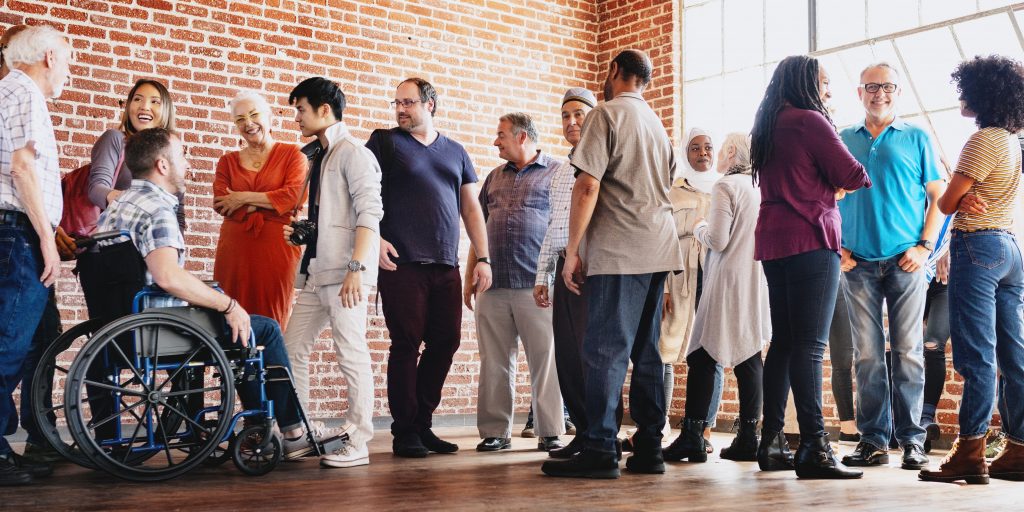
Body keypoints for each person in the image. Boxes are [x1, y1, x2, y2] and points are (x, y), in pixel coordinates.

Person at [95, 127, 339, 462]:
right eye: (181, 156)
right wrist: (228, 304)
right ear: (163, 165)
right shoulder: (156, 209)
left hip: (121, 326)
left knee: (235, 321)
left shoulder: (117, 207)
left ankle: (254, 426)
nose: (187, 163)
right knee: (263, 327)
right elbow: (168, 277)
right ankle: (293, 431)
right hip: (158, 329)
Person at [541, 49, 683, 479]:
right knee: (647, 353)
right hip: (659, 248)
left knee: (603, 351)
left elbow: (587, 187)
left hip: (621, 251)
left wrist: (573, 251)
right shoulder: (658, 125)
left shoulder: (605, 114)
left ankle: (601, 448)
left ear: (614, 72)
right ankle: (649, 449)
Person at [751, 55, 870, 479]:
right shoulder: (809, 121)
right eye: (823, 82)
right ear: (804, 82)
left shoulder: (767, 125)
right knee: (811, 346)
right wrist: (829, 183)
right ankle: (815, 448)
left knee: (784, 342)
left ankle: (771, 443)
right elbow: (854, 174)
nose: (828, 91)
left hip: (774, 240)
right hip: (811, 237)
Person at [367, 78, 491, 458]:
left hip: (445, 265)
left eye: (409, 103)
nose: (401, 110)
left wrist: (483, 258)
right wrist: (374, 238)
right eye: (397, 103)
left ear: (430, 105)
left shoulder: (455, 151)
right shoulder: (384, 143)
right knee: (406, 344)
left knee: (446, 342)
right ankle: (405, 431)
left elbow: (471, 208)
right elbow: (361, 194)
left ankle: (423, 424)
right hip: (401, 263)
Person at [920, 55, 1024, 485]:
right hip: (1009, 249)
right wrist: (963, 195)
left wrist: (956, 196)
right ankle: (1018, 450)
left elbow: (944, 204)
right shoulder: (1013, 141)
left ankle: (969, 453)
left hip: (977, 246)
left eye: (966, 89)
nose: (961, 96)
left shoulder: (983, 140)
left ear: (982, 93)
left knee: (976, 356)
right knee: (1013, 354)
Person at [837, 63, 945, 472]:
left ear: (897, 91)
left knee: (909, 353)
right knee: (866, 356)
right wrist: (837, 250)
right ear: (859, 92)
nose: (878, 93)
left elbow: (938, 196)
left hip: (906, 261)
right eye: (870, 86)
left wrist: (926, 246)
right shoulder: (842, 139)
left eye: (886, 86)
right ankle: (873, 440)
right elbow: (823, 199)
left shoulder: (916, 137)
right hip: (857, 264)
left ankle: (913, 441)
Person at [281, 77, 382, 468]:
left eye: (301, 110)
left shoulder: (354, 153)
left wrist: (358, 269)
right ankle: (302, 431)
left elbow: (370, 214)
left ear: (325, 110)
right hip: (319, 271)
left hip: (347, 273)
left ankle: (359, 440)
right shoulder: (319, 154)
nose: (297, 118)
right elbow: (332, 217)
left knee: (350, 352)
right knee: (291, 348)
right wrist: (306, 232)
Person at [664, 132, 770, 463]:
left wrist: (698, 227)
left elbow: (718, 239)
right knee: (750, 355)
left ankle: (692, 438)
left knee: (701, 355)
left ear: (733, 152)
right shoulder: (758, 187)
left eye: (721, 148)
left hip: (725, 280)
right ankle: (749, 437)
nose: (716, 154)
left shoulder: (726, 186)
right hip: (754, 278)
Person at [466, 113, 564, 453]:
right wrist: (469, 278)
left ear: (522, 137)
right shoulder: (493, 178)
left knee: (546, 359)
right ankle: (496, 431)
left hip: (538, 287)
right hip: (492, 288)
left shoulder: (557, 174)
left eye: (501, 135)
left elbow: (566, 228)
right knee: (493, 360)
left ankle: (550, 429)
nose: (496, 141)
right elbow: (477, 235)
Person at [0, 24, 72, 486]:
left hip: (17, 232)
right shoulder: (24, 90)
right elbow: (22, 166)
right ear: (48, 56)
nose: (69, 68)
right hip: (18, 233)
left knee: (37, 339)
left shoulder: (10, 90)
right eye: (67, 58)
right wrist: (46, 237)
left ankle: (10, 442)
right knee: (8, 345)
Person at [78, 79, 179, 320]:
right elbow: (97, 190)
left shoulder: (171, 152)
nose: (144, 107)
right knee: (116, 338)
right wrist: (138, 205)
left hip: (149, 255)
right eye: (138, 99)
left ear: (165, 111)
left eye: (154, 102)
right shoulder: (115, 139)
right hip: (111, 255)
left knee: (148, 340)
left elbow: (178, 211)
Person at [534, 87, 596, 459]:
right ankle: (584, 432)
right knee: (568, 356)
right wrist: (543, 275)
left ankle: (601, 434)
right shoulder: (559, 172)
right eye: (565, 115)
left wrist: (578, 256)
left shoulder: (603, 160)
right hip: (561, 265)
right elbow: (553, 225)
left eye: (578, 114)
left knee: (593, 354)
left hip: (590, 266)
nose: (571, 122)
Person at [213, 91, 307, 330]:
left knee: (273, 314)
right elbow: (221, 202)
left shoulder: (293, 154)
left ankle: (271, 367)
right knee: (229, 314)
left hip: (276, 247)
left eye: (254, 115)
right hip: (234, 250)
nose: (248, 123)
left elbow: (294, 196)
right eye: (240, 119)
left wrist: (242, 198)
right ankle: (230, 368)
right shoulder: (227, 161)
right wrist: (271, 203)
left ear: (269, 117)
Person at [660, 127, 724, 449]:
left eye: (708, 147)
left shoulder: (723, 188)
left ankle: (705, 430)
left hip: (714, 273)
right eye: (695, 148)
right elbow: (665, 237)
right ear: (685, 153)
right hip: (680, 274)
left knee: (711, 349)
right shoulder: (674, 191)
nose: (703, 153)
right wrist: (665, 288)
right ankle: (659, 426)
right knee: (665, 348)